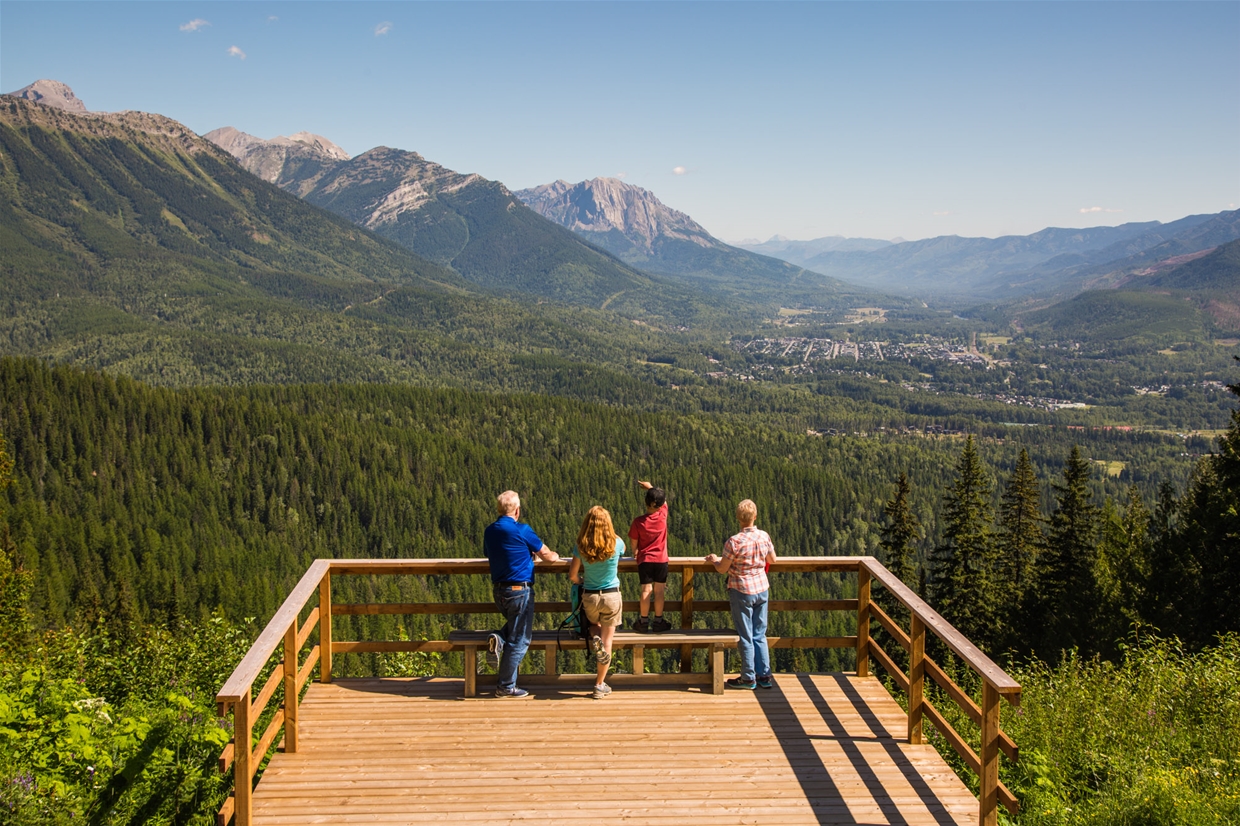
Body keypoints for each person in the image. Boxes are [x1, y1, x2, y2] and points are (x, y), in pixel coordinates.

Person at [483, 490, 560, 698]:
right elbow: (547, 556)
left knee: (514, 628)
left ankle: (498, 639)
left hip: (499, 591)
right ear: (517, 510)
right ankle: (506, 686)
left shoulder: (490, 531)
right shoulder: (522, 530)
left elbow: (492, 552)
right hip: (519, 591)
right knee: (520, 638)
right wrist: (554, 555)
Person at [706, 499, 776, 690]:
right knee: (760, 634)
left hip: (741, 590)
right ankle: (765, 676)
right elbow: (772, 559)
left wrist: (714, 560)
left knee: (746, 635)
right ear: (755, 516)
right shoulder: (764, 536)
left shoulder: (734, 542)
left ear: (738, 518)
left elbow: (722, 569)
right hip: (762, 588)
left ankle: (748, 677)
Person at [569, 506, 625, 699]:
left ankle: (595, 638)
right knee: (608, 640)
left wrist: (582, 581)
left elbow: (573, 576)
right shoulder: (616, 543)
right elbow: (623, 548)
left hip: (590, 597)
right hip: (611, 596)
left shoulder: (581, 546)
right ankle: (599, 684)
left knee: (594, 626)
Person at [628, 480, 671, 633]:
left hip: (645, 560)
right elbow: (663, 501)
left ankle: (643, 622)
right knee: (659, 591)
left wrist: (635, 551)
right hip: (661, 560)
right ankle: (658, 621)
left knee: (646, 590)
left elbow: (634, 540)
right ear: (659, 506)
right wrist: (651, 487)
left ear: (645, 502)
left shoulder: (638, 522)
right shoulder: (662, 516)